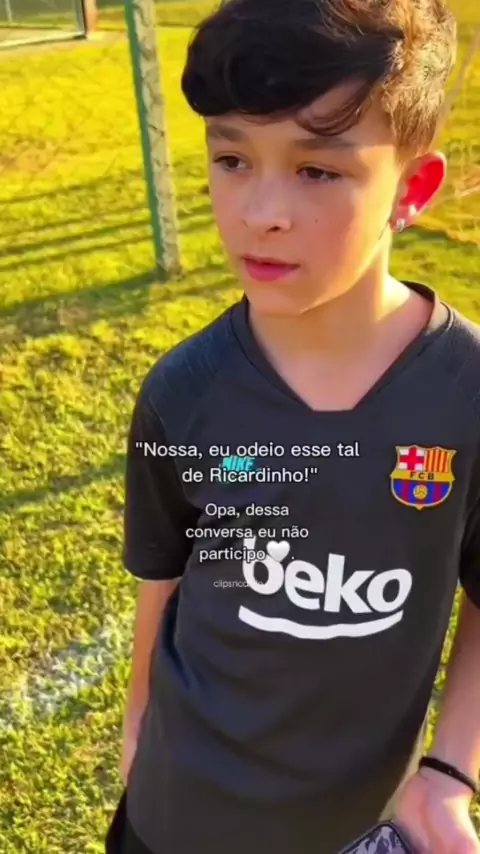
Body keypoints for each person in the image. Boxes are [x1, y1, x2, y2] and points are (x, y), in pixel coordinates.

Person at [105, 1, 480, 852]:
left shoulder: (465, 395)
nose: (261, 211)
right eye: (233, 159)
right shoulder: (185, 392)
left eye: (316, 170)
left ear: (412, 190)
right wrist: (136, 729)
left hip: (349, 829)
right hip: (174, 815)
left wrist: (450, 771)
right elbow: (165, 581)